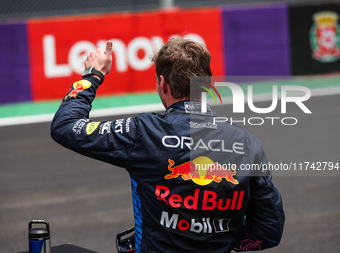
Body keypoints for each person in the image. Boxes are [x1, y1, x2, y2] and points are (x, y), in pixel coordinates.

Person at [51, 38, 284, 253]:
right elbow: (268, 231)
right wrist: (220, 235)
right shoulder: (248, 144)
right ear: (207, 85)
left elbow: (66, 126)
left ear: (163, 84)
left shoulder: (144, 131)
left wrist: (93, 75)